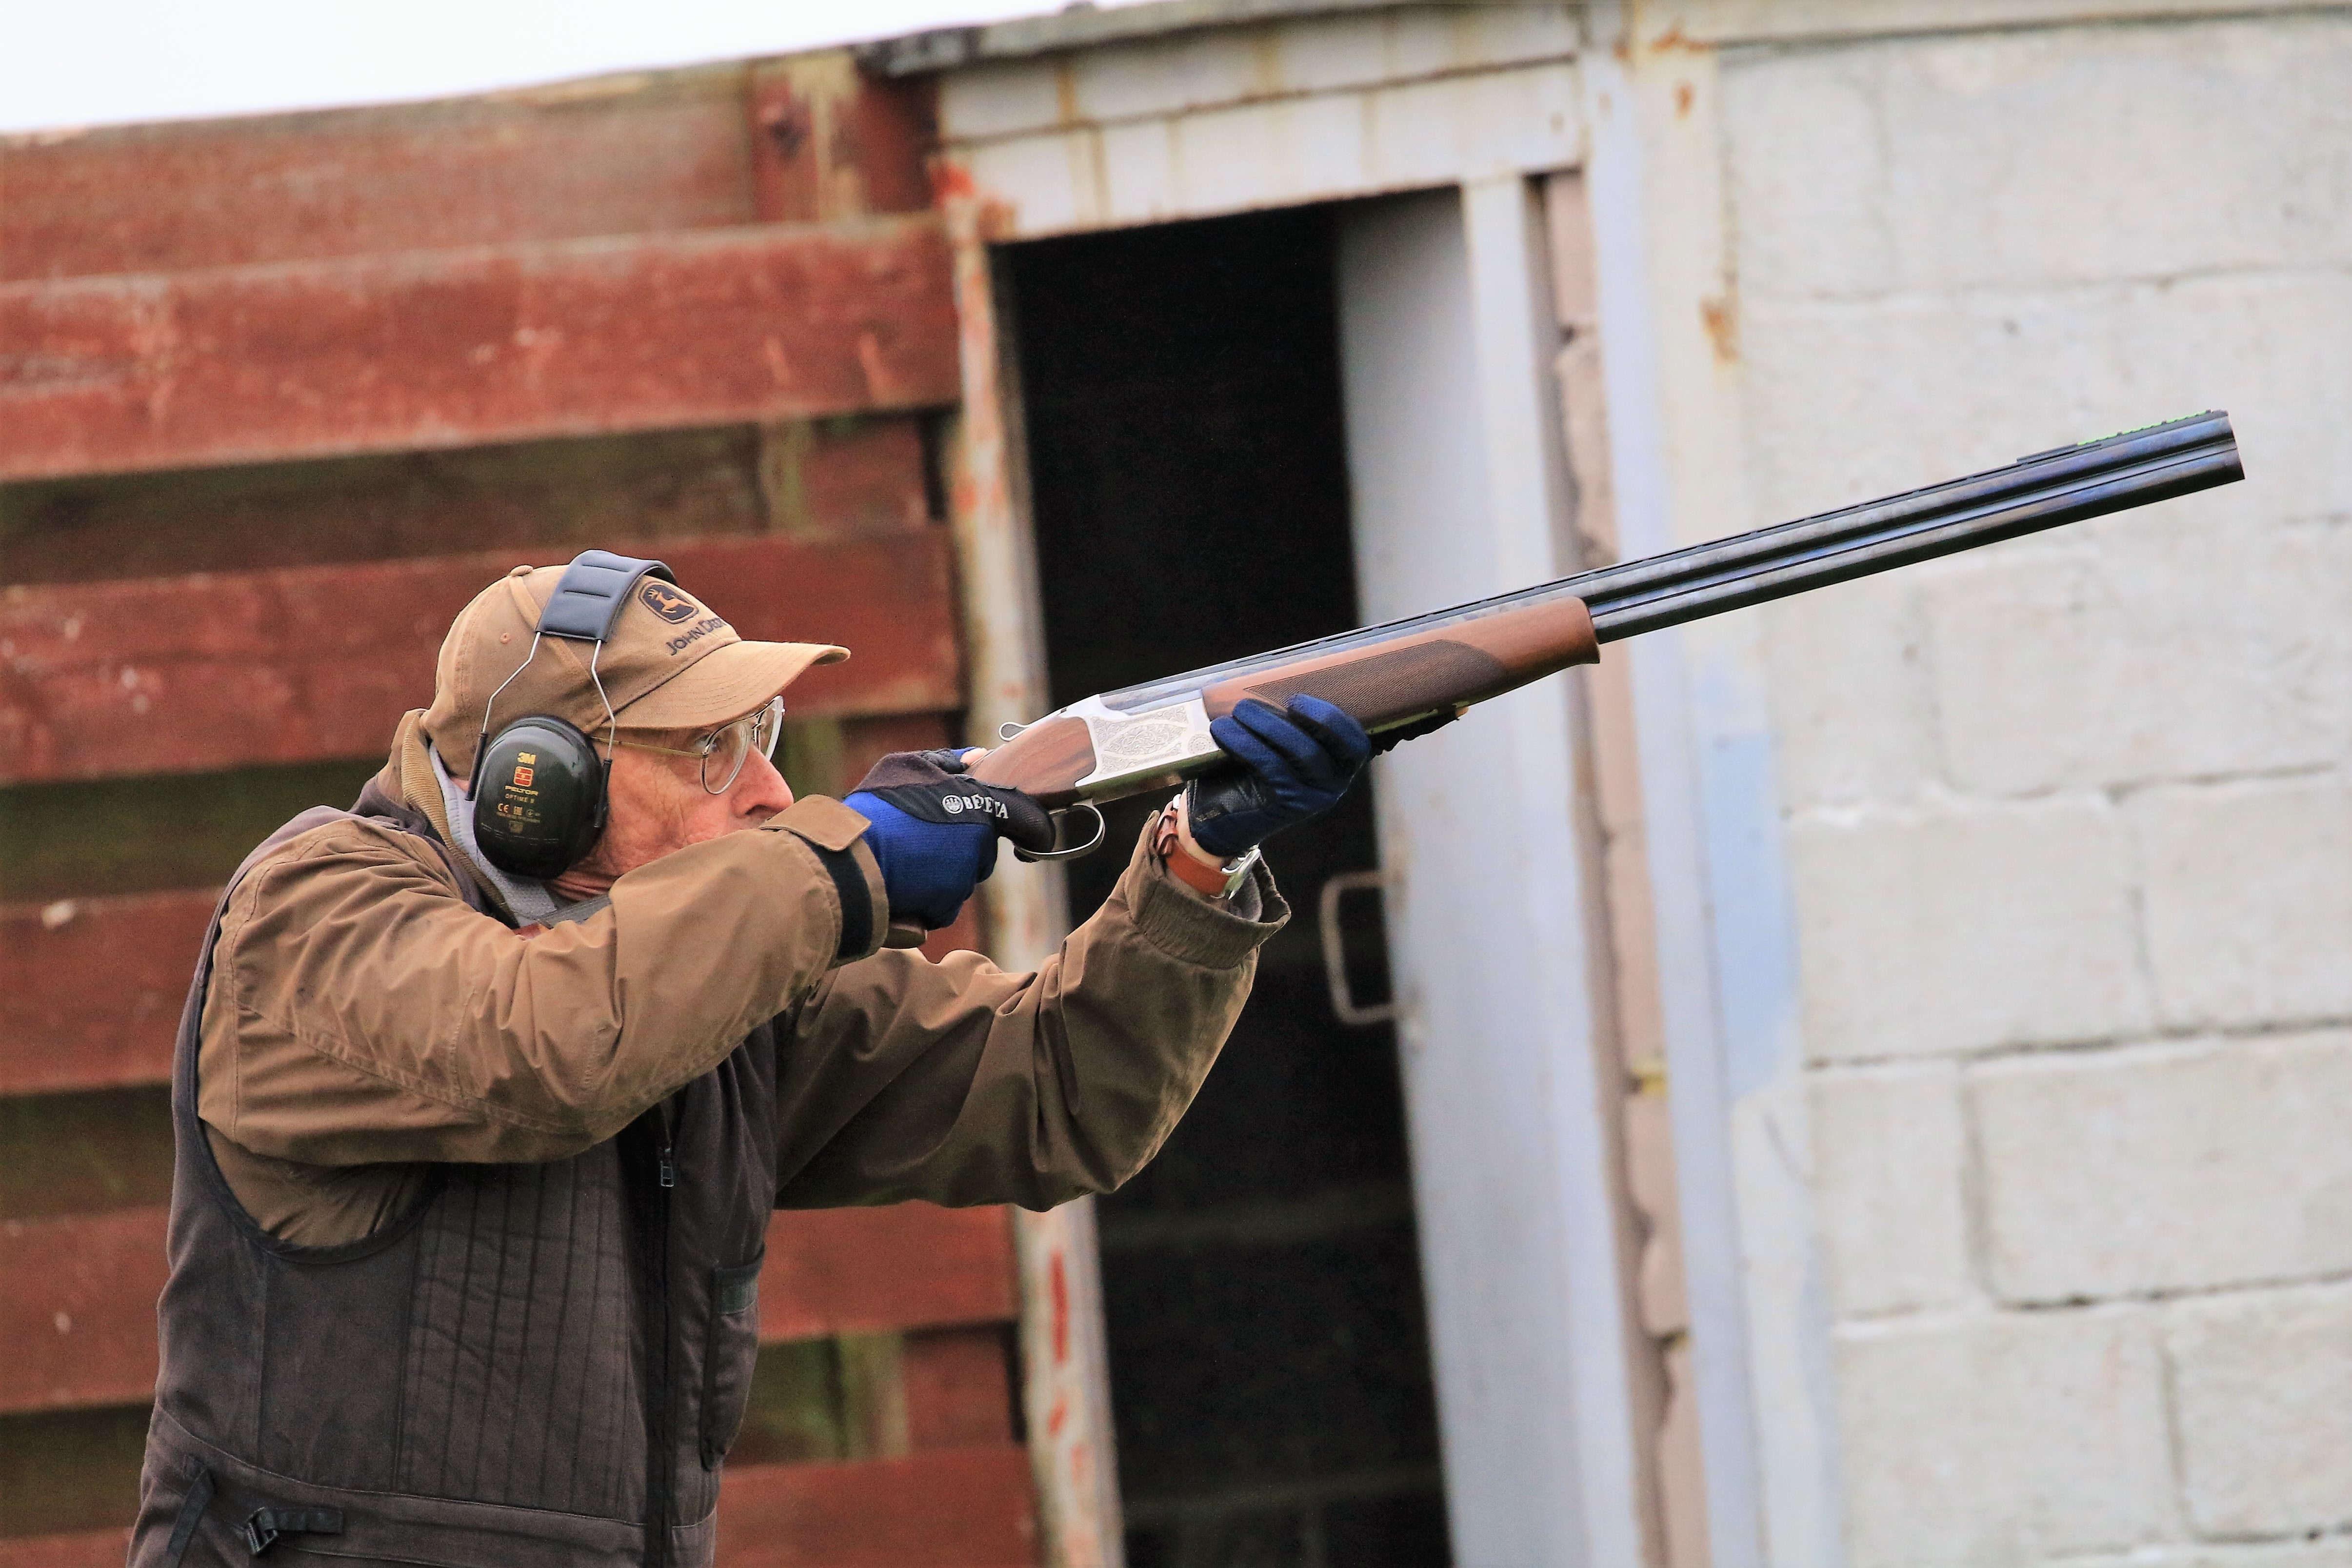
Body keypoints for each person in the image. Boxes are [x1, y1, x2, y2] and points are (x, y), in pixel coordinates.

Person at [128, 552, 1369, 1568]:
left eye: (759, 736)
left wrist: (1197, 865)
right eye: (709, 751)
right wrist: (840, 870)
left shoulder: (705, 980)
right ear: (536, 786)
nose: (773, 792)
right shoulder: (314, 907)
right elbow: (542, 1046)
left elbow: (1051, 1093)